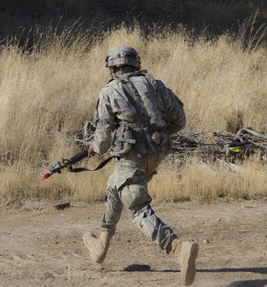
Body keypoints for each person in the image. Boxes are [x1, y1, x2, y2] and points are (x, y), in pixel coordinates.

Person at [84, 45, 199, 286]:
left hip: (131, 156)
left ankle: (177, 247)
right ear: (135, 64)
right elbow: (179, 120)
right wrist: (156, 135)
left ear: (113, 67)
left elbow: (103, 136)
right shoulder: (155, 85)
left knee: (136, 206)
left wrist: (95, 147)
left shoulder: (110, 90)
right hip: (156, 153)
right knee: (115, 187)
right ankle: (101, 245)